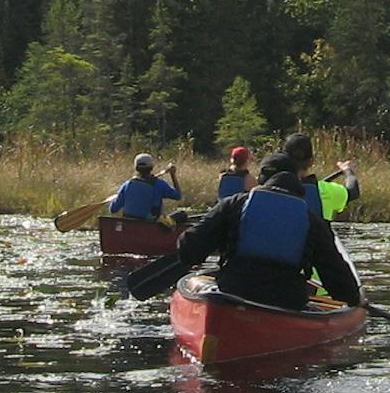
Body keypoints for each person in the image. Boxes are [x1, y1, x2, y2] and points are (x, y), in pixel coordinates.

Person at [173, 151, 362, 312]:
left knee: (199, 284)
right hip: (286, 302)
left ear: (262, 179)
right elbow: (338, 279)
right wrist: (355, 300)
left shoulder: (233, 205)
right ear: (296, 181)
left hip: (234, 291)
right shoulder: (312, 220)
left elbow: (189, 251)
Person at [280, 132, 360, 220]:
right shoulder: (325, 191)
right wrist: (347, 170)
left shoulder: (274, 189)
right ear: (311, 162)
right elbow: (353, 191)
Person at [109, 153, 181, 220]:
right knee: (182, 214)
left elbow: (113, 209)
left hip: (129, 225)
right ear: (151, 167)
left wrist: (115, 198)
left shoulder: (127, 185)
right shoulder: (159, 184)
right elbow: (178, 196)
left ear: (136, 168)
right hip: (150, 226)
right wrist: (173, 174)